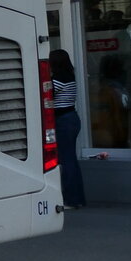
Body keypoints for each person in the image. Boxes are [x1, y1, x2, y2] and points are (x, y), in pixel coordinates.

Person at [50, 49, 86, 209]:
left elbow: (45, 96)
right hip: (72, 118)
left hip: (62, 121)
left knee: (66, 160)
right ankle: (78, 198)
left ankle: (71, 200)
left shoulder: (56, 80)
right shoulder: (70, 78)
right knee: (71, 159)